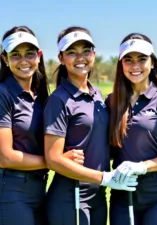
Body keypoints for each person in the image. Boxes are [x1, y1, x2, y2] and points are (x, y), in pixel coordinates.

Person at [43, 26, 138, 225]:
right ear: (61, 58)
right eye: (72, 52)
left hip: (98, 196)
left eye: (86, 51)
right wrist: (104, 177)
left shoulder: (96, 94)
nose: (80, 57)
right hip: (71, 195)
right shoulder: (59, 100)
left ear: (94, 55)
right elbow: (53, 159)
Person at [0, 26, 85, 225]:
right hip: (11, 191)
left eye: (29, 54)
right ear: (5, 59)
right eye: (15, 55)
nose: (23, 61)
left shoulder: (41, 95)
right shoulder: (3, 94)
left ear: (39, 56)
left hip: (40, 189)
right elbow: (5, 157)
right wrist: (56, 161)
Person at [106, 33, 157, 225]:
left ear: (152, 63)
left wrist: (142, 166)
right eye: (128, 60)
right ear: (121, 64)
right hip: (123, 193)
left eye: (142, 59)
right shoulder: (111, 101)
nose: (135, 66)